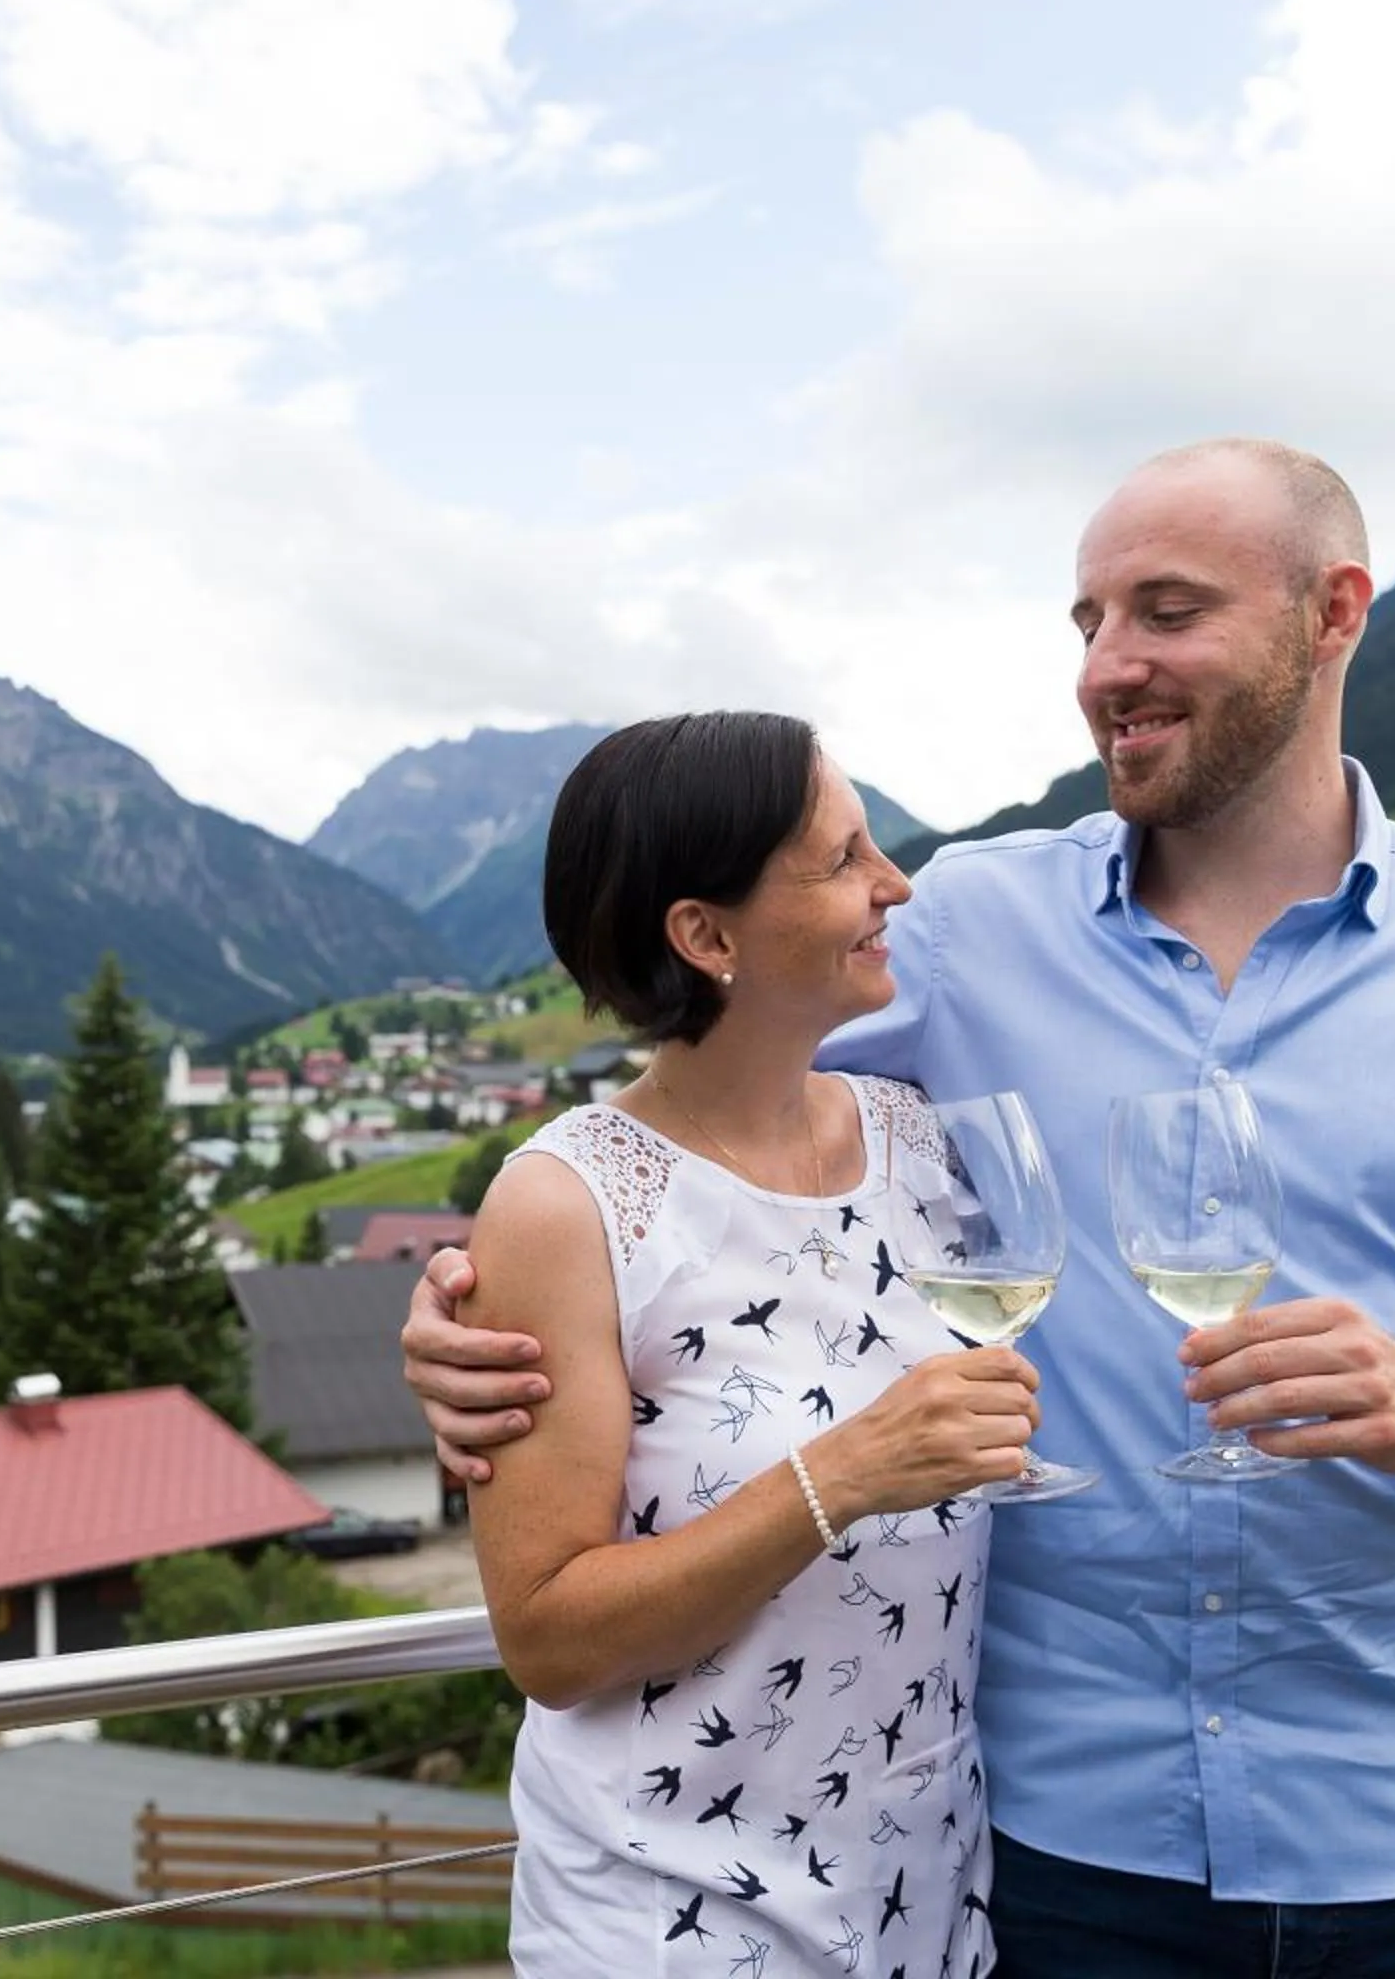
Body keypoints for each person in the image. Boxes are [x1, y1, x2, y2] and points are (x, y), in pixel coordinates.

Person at [406, 439, 1395, 1976]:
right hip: (1061, 1868)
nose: (1109, 666)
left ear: (1336, 613)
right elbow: (689, 1124)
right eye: (1088, 622)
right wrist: (472, 1289)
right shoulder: (961, 927)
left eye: (1166, 612)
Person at [466, 710, 1038, 1978]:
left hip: (928, 1914)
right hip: (676, 1927)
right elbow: (549, 1637)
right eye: (843, 861)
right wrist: (842, 1474)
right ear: (706, 935)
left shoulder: (917, 1142)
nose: (894, 884)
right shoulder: (569, 1202)